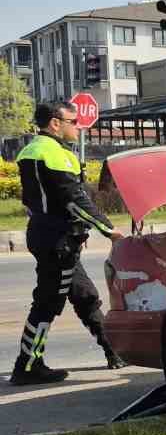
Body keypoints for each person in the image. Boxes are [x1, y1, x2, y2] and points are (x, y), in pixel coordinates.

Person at [12, 102, 125, 385]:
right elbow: (74, 200)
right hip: (58, 240)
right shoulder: (55, 154)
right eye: (73, 121)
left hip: (50, 236)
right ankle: (27, 366)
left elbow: (33, 201)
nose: (78, 126)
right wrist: (109, 230)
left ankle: (114, 350)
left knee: (85, 295)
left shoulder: (30, 150)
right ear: (55, 123)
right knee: (47, 303)